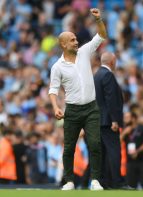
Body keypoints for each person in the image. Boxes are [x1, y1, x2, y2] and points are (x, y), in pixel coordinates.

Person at [48, 8, 107, 190]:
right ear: (63, 45)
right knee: (69, 148)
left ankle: (96, 180)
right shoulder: (57, 67)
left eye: (75, 39)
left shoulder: (84, 52)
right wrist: (55, 107)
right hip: (72, 110)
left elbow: (101, 36)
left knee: (95, 143)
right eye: (72, 40)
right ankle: (69, 181)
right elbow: (53, 90)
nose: (76, 41)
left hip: (91, 108)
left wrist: (98, 20)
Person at [94, 52, 125, 189]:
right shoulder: (108, 75)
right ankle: (117, 182)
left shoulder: (96, 75)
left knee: (103, 153)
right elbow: (111, 99)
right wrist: (114, 120)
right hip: (108, 121)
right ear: (112, 62)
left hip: (98, 121)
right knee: (114, 151)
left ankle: (103, 182)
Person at [120, 112, 143, 190]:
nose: (125, 119)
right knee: (131, 185)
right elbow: (117, 143)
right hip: (130, 161)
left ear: (133, 118)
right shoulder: (125, 129)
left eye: (127, 117)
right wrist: (124, 133)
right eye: (125, 117)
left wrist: (137, 151)